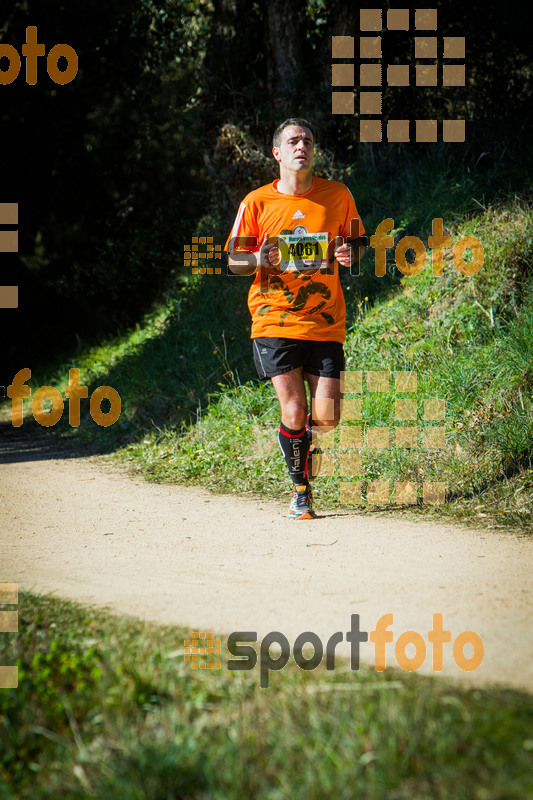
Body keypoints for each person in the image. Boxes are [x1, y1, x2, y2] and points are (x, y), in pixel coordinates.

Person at [225, 118, 366, 520]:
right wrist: (257, 259)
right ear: (277, 153)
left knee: (327, 417)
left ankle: (299, 440)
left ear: (314, 149)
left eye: (306, 139)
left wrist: (349, 254)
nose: (300, 145)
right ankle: (300, 490)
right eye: (292, 141)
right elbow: (234, 260)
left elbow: (357, 241)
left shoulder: (337, 195)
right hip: (275, 320)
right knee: (292, 409)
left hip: (325, 322)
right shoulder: (255, 203)